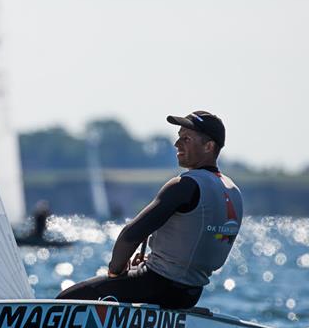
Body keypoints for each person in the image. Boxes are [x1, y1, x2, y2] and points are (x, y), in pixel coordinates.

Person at [57, 110, 242, 309]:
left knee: (63, 302)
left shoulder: (185, 185)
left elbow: (129, 236)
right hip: (190, 294)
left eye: (186, 139)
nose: (177, 144)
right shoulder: (234, 192)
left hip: (156, 286)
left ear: (209, 146)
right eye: (178, 137)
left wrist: (115, 274)